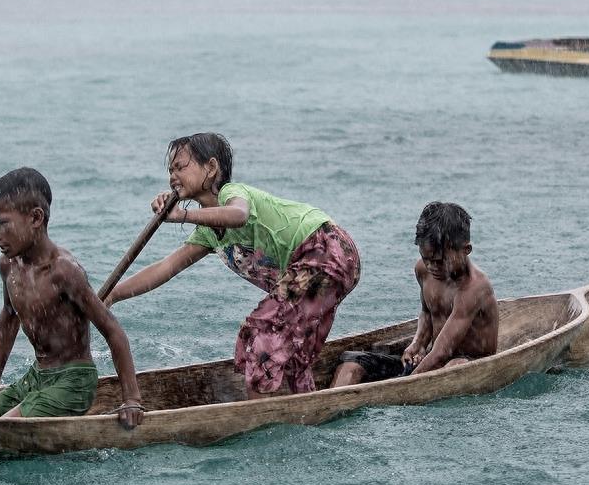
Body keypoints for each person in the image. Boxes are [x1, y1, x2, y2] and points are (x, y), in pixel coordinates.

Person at [105, 133, 361, 398]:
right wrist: (113, 295)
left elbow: (238, 215)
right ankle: (304, 406)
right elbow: (166, 267)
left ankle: (260, 414)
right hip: (318, 269)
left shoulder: (232, 193)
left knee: (259, 333)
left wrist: (183, 215)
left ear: (212, 168)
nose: (172, 176)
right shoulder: (207, 233)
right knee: (289, 355)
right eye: (170, 170)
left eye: (181, 167)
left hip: (326, 250)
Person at [0, 167, 145, 428]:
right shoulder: (8, 265)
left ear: (35, 218)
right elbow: (9, 316)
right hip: (37, 376)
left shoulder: (64, 271)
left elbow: (113, 332)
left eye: (2, 223)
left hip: (74, 382)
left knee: (0, 430)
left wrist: (131, 399)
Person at [330, 202, 497, 387]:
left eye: (440, 261)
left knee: (454, 365)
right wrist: (418, 344)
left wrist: (406, 382)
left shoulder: (474, 288)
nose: (432, 266)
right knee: (351, 361)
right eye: (426, 259)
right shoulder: (423, 270)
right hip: (432, 357)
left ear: (466, 250)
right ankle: (327, 403)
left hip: (466, 361)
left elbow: (443, 352)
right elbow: (428, 312)